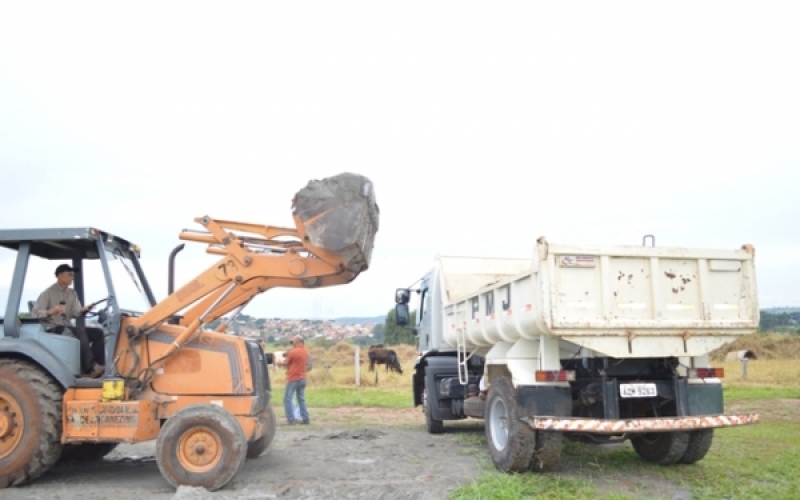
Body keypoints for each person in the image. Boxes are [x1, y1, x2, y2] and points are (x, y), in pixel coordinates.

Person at [33, 264, 105, 378]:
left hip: (66, 327)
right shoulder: (48, 293)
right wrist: (51, 311)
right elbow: (35, 312)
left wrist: (84, 309)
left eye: (73, 275)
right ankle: (90, 367)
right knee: (80, 332)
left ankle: (100, 365)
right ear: (60, 276)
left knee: (98, 333)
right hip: (53, 327)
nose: (72, 277)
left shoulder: (72, 293)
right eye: (70, 274)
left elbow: (76, 313)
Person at [283, 335, 310, 425]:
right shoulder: (306, 351)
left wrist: (282, 360)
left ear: (297, 342)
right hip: (303, 377)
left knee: (287, 399)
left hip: (293, 378)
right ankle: (305, 418)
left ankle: (291, 420)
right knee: (301, 399)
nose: (292, 344)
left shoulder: (293, 352)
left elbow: (287, 363)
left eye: (293, 342)